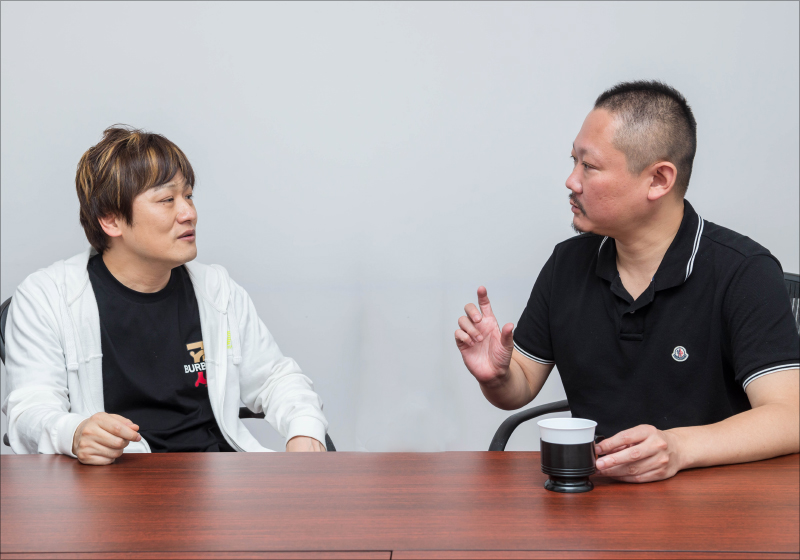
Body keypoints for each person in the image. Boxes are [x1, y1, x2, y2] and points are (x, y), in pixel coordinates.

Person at [455, 81, 799, 483]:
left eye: (589, 166)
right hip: (597, 495)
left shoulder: (744, 272)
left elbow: (789, 415)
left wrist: (678, 447)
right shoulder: (567, 264)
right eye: (573, 161)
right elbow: (522, 383)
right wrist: (498, 377)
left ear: (658, 180)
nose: (571, 181)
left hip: (714, 499)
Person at [3, 126, 328, 464]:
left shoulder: (217, 290)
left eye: (188, 196)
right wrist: (73, 432)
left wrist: (305, 431)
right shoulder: (46, 298)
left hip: (216, 479)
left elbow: (275, 378)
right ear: (111, 220)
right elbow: (30, 410)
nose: (189, 213)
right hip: (112, 484)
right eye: (167, 200)